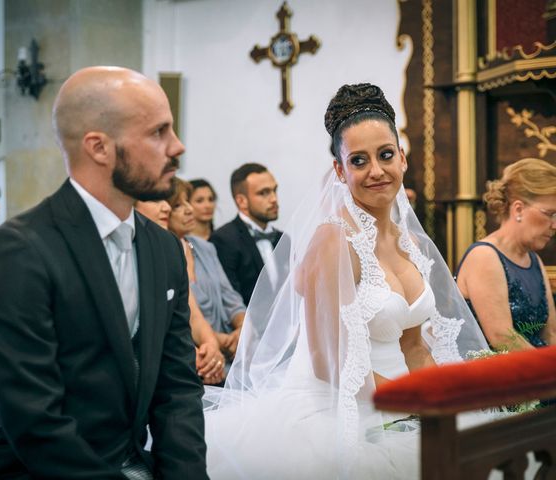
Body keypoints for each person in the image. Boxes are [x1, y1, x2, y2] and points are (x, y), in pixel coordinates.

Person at [203, 83, 491, 479]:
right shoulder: (334, 240)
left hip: (402, 403)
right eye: (358, 160)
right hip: (337, 413)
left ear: (402, 159)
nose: (376, 171)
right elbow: (330, 363)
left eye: (386, 155)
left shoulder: (410, 241)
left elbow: (413, 344)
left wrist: (444, 396)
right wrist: (414, 403)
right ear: (340, 170)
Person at [0, 67, 208, 479]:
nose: (177, 147)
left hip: (133, 462)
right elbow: (34, 420)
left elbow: (178, 390)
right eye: (158, 132)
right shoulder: (17, 251)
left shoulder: (163, 248)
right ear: (99, 147)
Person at [456, 158, 556, 351]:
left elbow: (550, 333)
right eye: (549, 214)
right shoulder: (484, 256)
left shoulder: (534, 260)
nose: (554, 225)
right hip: (497, 375)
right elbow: (503, 338)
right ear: (518, 209)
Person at [135, 199, 225, 384]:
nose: (166, 207)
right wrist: (189, 352)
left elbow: (193, 316)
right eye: (156, 200)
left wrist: (211, 346)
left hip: (183, 360)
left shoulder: (169, 249)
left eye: (168, 201)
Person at [167, 178, 247, 363]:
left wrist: (242, 328)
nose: (189, 209)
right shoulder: (163, 254)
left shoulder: (205, 248)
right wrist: (217, 341)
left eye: (188, 201)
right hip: (194, 355)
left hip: (228, 353)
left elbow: (230, 298)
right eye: (178, 205)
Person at [210, 163, 283, 305]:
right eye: (264, 193)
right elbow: (229, 297)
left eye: (274, 190)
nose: (274, 199)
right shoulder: (224, 239)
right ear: (241, 201)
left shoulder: (283, 239)